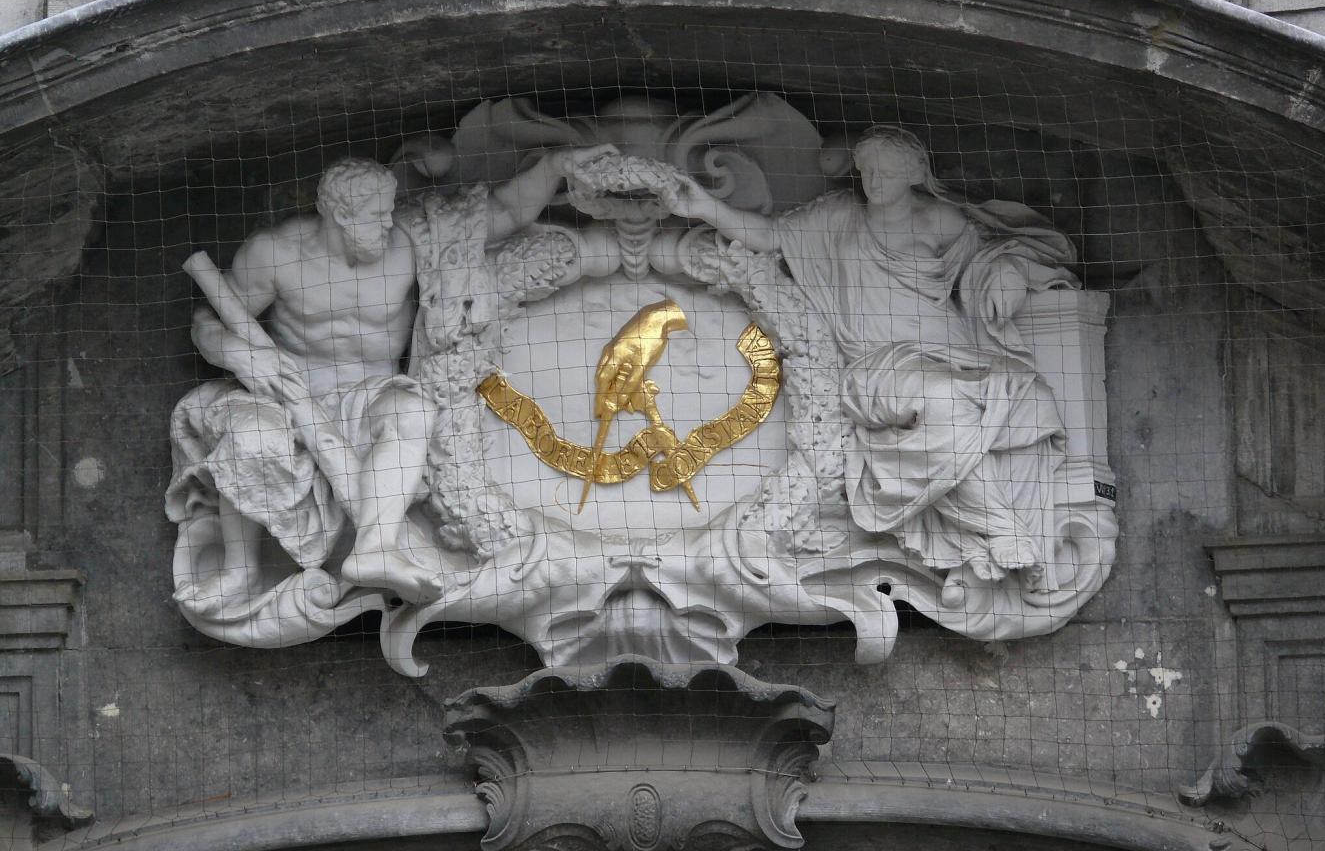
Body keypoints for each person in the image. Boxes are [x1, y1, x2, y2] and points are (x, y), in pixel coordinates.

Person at [168, 147, 614, 619]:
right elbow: (209, 323)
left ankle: (376, 546)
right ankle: (241, 569)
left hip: (371, 393)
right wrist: (238, 354)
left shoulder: (411, 240)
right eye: (375, 216)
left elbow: (503, 212)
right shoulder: (275, 253)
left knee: (413, 410)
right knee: (249, 437)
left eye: (388, 211)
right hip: (283, 392)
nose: (387, 224)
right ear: (339, 215)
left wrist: (554, 167)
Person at [655, 126, 1077, 603]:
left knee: (1017, 397)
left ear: (915, 173)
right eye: (867, 170)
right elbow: (770, 237)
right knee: (944, 405)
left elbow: (1000, 251)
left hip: (950, 351)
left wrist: (1007, 271)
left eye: (888, 171)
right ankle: (1003, 530)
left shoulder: (940, 220)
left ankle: (1015, 533)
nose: (874, 180)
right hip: (877, 366)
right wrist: (704, 207)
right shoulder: (838, 217)